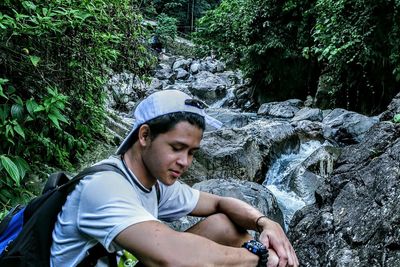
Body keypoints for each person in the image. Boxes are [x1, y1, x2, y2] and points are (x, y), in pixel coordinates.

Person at [50, 89, 299, 267]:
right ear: (145, 136)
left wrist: (266, 223)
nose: (185, 162)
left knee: (224, 225)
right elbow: (170, 257)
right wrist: (258, 257)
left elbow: (220, 203)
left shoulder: (154, 183)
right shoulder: (104, 186)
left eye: (191, 152)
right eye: (176, 148)